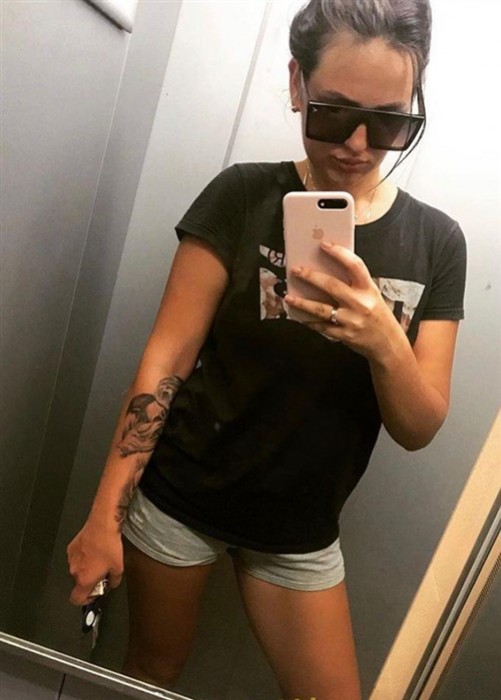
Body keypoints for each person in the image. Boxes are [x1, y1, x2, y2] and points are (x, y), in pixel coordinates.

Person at [66, 1, 466, 698]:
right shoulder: (242, 195)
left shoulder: (436, 243)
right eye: (334, 113)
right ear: (295, 84)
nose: (358, 145)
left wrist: (383, 342)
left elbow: (418, 426)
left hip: (301, 532)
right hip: (180, 499)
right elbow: (167, 358)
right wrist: (104, 517)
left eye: (389, 122)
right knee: (151, 675)